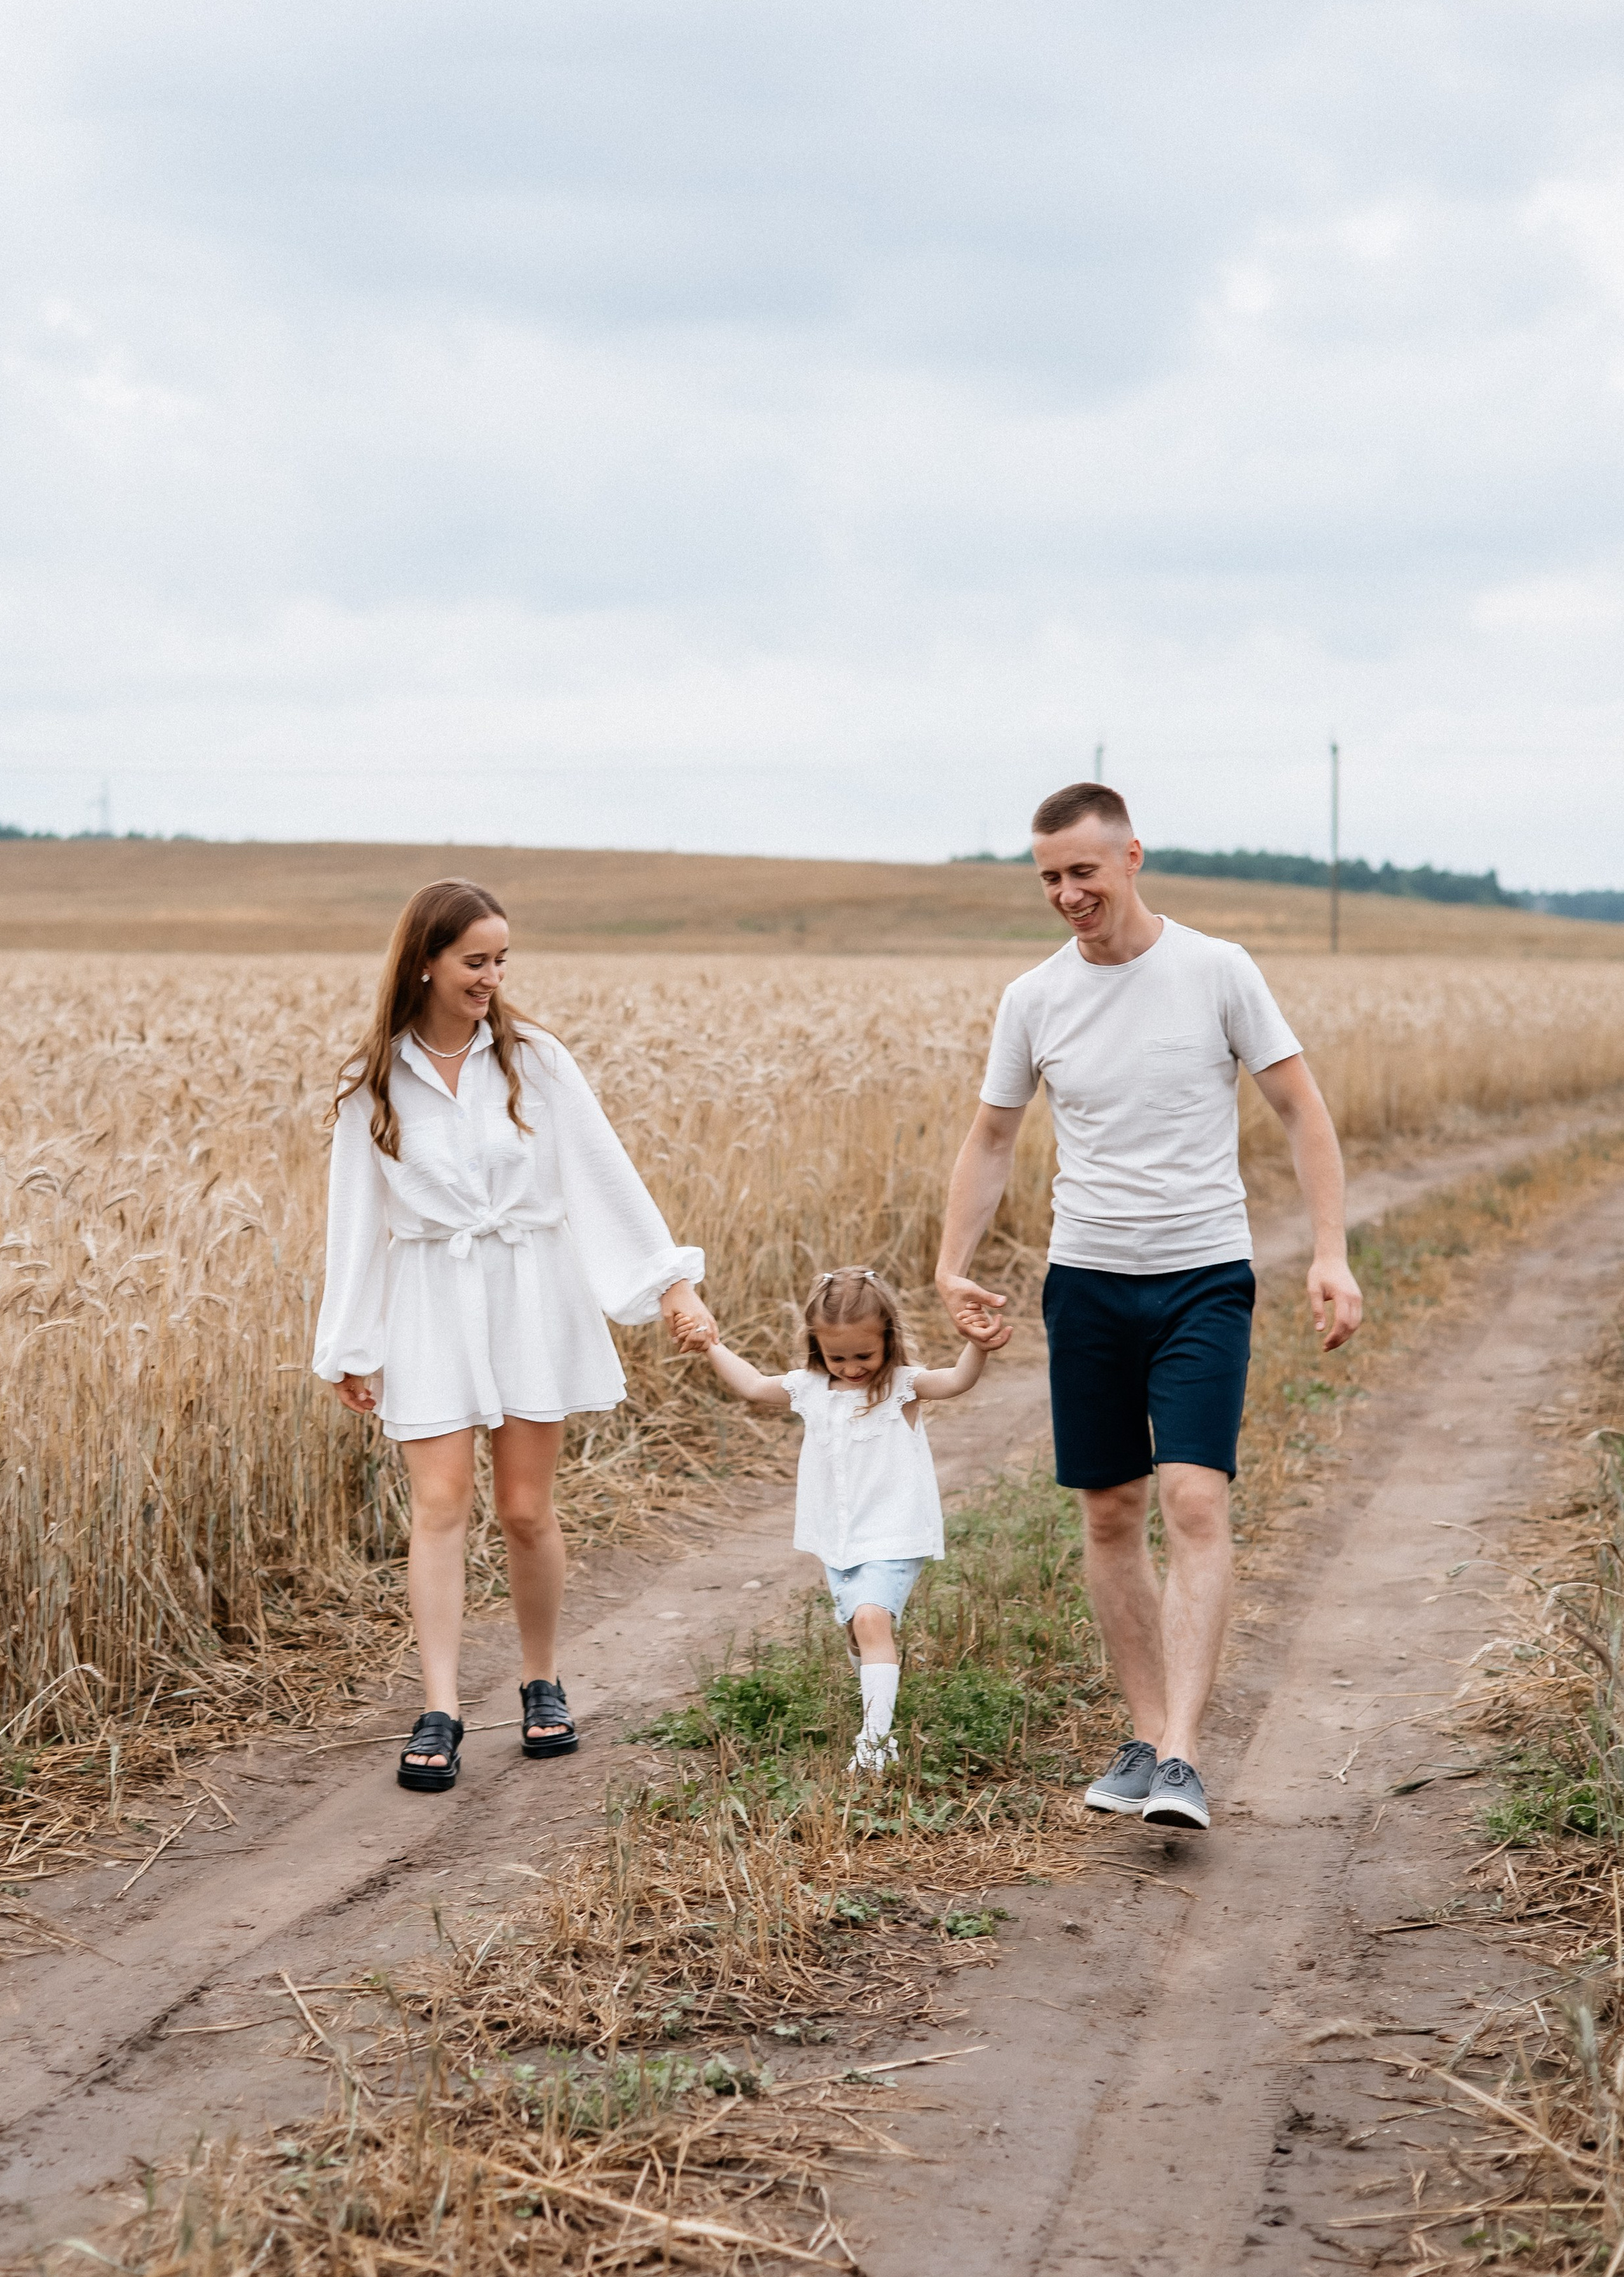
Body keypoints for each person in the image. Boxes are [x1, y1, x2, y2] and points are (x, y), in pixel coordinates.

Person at [935, 784, 1362, 1833]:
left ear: (1132, 857)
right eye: (1048, 877)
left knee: (1195, 1500)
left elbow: (1300, 1107)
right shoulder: (1034, 998)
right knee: (1111, 1511)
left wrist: (1332, 1254)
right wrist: (952, 1265)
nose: (1067, 894)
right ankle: (1142, 1734)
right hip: (1085, 1283)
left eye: (1083, 871)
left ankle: (1181, 1755)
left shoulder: (1216, 970)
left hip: (1203, 1276)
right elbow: (992, 1139)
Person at [313, 879, 712, 1794]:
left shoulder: (537, 1061)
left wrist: (672, 1287)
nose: (493, 977)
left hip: (530, 1291)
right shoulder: (373, 1081)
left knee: (526, 1509)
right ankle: (442, 1709)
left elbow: (605, 1174)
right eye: (475, 961)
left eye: (502, 960)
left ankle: (541, 1680)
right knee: (440, 1506)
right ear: (426, 961)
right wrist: (350, 1344)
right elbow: (355, 1221)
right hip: (428, 1301)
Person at [679, 1266, 1007, 1772]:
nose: (852, 1368)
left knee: (873, 1620)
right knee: (859, 1631)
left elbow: (957, 1380)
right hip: (839, 1539)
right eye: (838, 1356)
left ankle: (875, 1745)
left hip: (895, 1532)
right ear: (817, 1347)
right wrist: (711, 1347)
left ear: (888, 1341)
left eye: (864, 1355)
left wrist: (978, 1344)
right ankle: (878, 1694)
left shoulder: (902, 1385)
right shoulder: (810, 1389)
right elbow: (751, 1386)